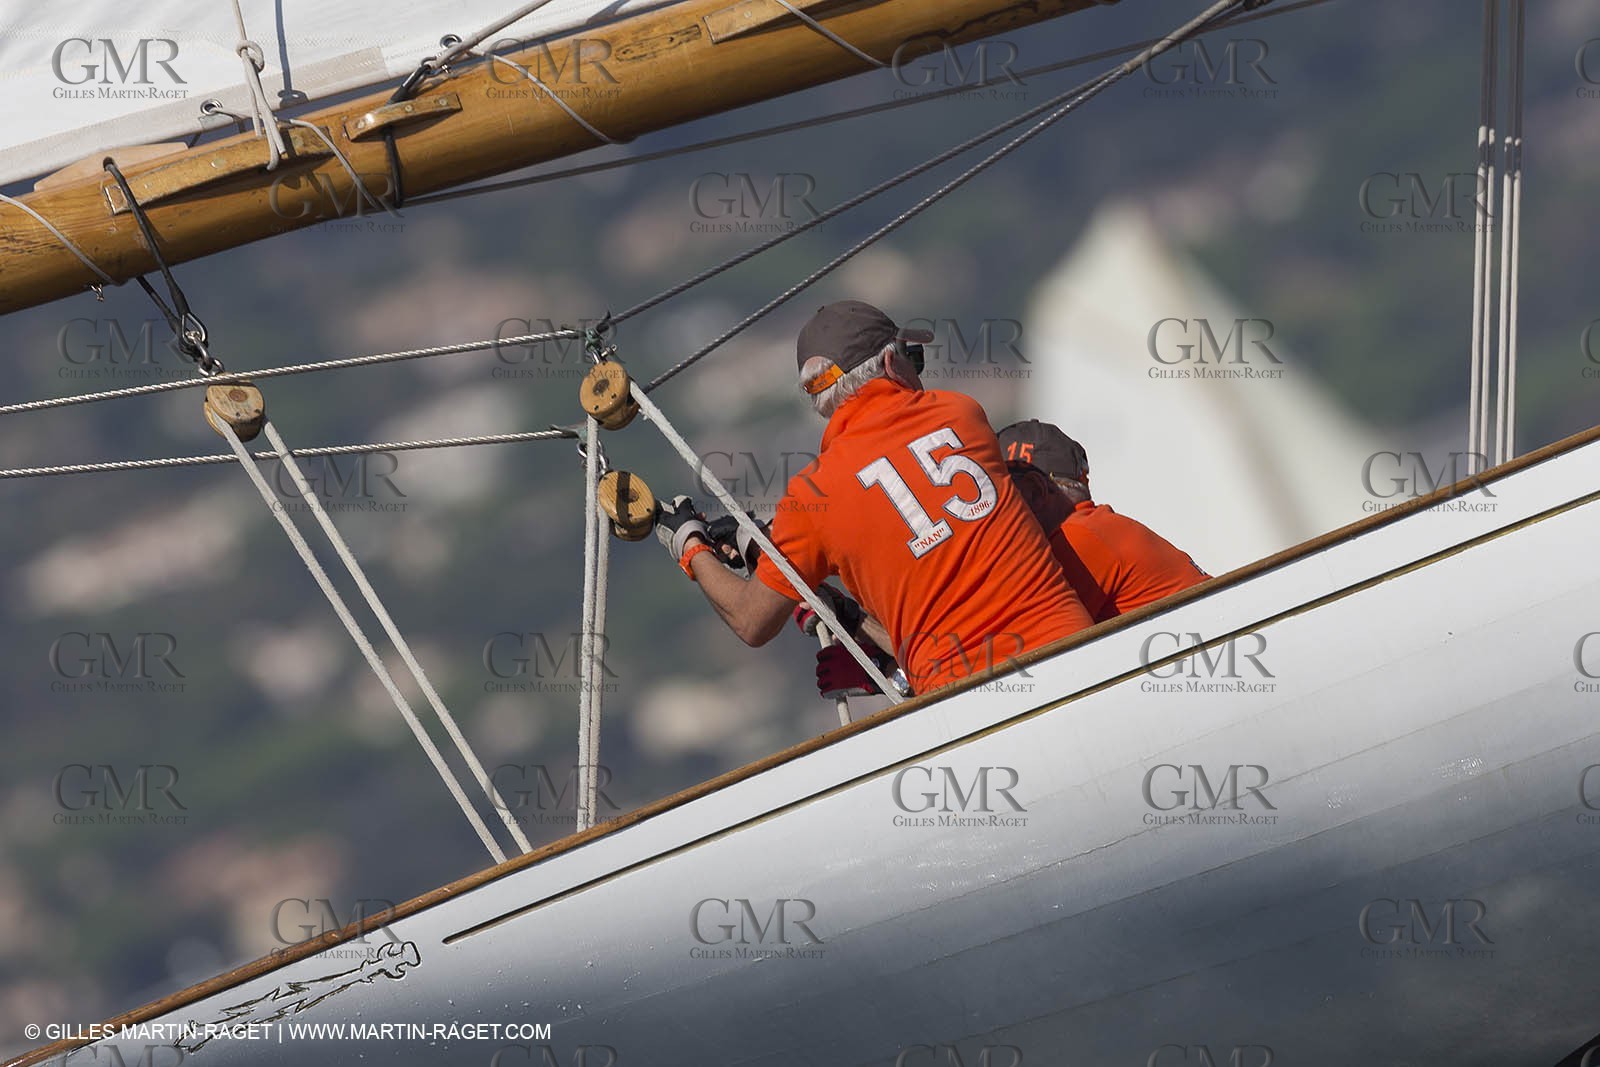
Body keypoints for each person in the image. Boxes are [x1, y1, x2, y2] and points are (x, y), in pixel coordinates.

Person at [654, 300, 1093, 696]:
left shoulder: (811, 498)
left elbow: (752, 621)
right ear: (890, 360)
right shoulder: (961, 412)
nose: (918, 371)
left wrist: (690, 547)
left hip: (961, 699)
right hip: (1076, 654)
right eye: (913, 357)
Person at [997, 419, 1208, 622]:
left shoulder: (1076, 539)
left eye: (1001, 493)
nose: (993, 509)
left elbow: (1022, 640)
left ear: (1035, 492)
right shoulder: (1096, 528)